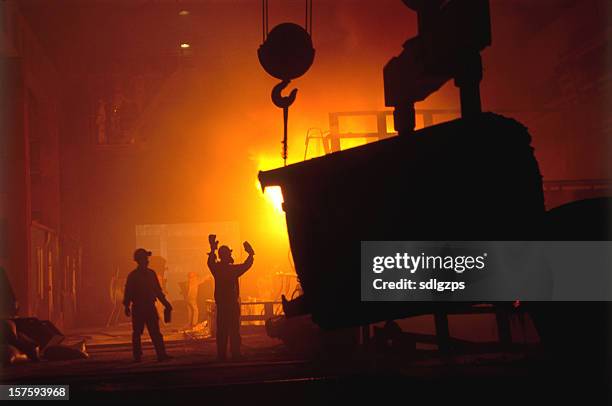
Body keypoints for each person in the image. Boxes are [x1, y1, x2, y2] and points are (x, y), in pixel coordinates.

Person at [207, 235, 255, 361]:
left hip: (222, 306)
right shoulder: (233, 270)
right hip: (232, 305)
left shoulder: (217, 269)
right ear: (227, 255)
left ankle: (221, 355)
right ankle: (235, 354)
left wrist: (212, 249)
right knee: (234, 330)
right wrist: (251, 254)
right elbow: (246, 265)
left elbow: (210, 262)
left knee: (222, 331)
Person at [123, 248, 173, 362]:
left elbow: (158, 292)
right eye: (145, 258)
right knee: (138, 333)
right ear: (139, 260)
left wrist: (166, 304)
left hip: (148, 307)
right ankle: (139, 356)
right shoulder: (135, 276)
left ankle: (160, 355)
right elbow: (129, 292)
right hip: (140, 307)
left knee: (154, 332)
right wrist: (126, 305)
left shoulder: (149, 274)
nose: (147, 260)